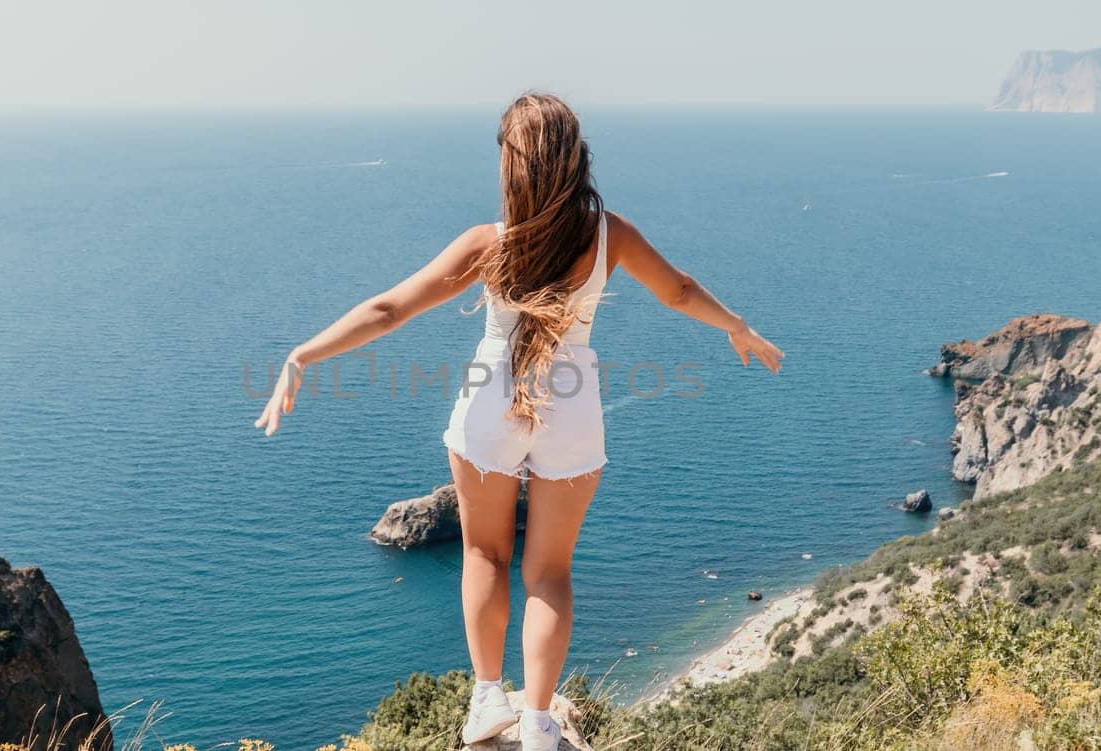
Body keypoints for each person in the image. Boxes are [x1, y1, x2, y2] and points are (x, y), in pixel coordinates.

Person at [255, 92, 782, 750]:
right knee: (549, 572)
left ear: (513, 163)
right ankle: (536, 723)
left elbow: (390, 310)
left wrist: (303, 352)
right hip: (573, 404)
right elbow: (676, 289)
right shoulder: (608, 234)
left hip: (488, 399)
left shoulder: (489, 244)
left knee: (483, 552)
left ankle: (487, 698)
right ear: (573, 158)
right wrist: (739, 326)